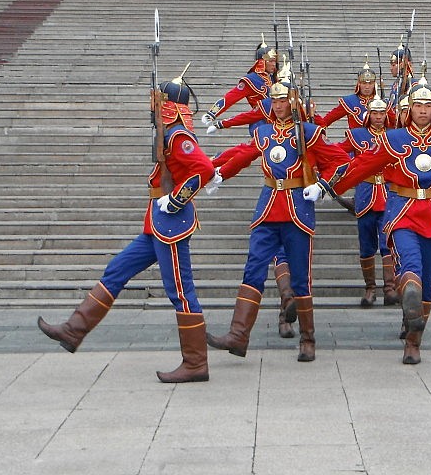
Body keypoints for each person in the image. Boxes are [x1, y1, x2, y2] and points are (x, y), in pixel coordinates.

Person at [37, 73, 216, 383]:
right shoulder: (168, 134)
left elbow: (205, 168)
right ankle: (74, 329)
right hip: (156, 224)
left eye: (158, 102)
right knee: (117, 269)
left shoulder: (178, 136)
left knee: (181, 292)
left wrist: (176, 199)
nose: (154, 107)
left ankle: (196, 363)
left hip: (170, 224)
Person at [330, 74, 431, 365]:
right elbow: (362, 165)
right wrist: (329, 186)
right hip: (402, 211)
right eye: (418, 105)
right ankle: (408, 296)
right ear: (409, 108)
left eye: (428, 106)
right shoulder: (394, 138)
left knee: (427, 281)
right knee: (410, 265)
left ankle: (414, 339)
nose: (423, 111)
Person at [205, 77, 351, 362]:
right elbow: (245, 154)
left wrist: (323, 186)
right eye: (274, 100)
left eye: (283, 100)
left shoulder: (309, 132)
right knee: (254, 267)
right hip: (268, 206)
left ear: (293, 102)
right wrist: (221, 174)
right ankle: (238, 335)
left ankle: (308, 339)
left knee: (300, 276)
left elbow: (340, 161)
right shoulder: (264, 132)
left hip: (297, 208)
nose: (278, 105)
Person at [339, 97, 400, 307]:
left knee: (387, 243)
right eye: (375, 113)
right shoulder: (358, 135)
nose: (379, 117)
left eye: (382, 113)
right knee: (366, 245)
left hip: (388, 195)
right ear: (369, 115)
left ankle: (390, 288)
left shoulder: (394, 136)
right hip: (365, 194)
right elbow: (339, 152)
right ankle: (370, 288)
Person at [201, 35, 277, 127]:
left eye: (275, 61)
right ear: (262, 62)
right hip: (261, 122)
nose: (274, 64)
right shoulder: (251, 80)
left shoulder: (273, 78)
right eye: (271, 61)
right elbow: (230, 97)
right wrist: (212, 113)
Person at [314, 57, 379, 132]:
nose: (367, 87)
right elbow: (326, 121)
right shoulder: (350, 102)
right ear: (359, 84)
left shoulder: (382, 102)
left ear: (374, 84)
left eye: (370, 83)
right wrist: (314, 115)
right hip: (355, 138)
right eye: (364, 83)